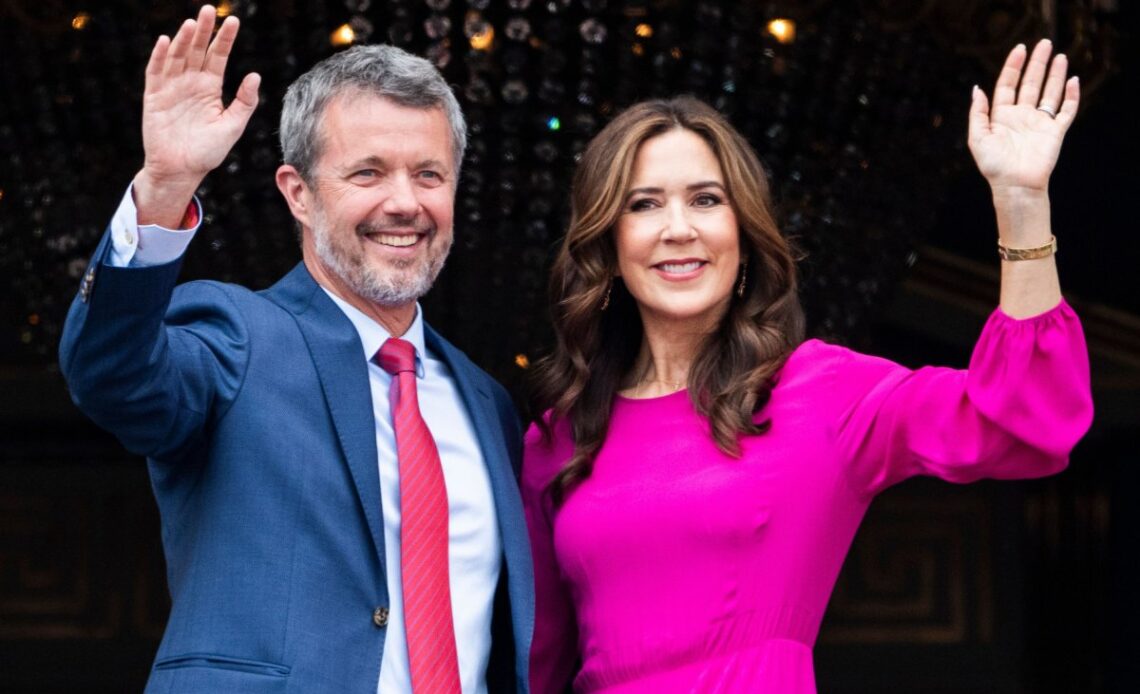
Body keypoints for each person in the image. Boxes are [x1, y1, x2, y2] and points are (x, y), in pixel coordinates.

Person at [522, 39, 1092, 692]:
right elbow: (536, 665)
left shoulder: (821, 393)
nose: (678, 227)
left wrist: (1022, 208)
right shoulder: (559, 438)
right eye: (643, 203)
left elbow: (1026, 419)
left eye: (706, 200)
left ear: (743, 232)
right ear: (608, 243)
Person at [58, 5, 532, 692]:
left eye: (429, 175)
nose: (405, 202)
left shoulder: (486, 402)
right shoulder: (236, 338)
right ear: (299, 194)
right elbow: (111, 374)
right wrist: (165, 186)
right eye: (367, 173)